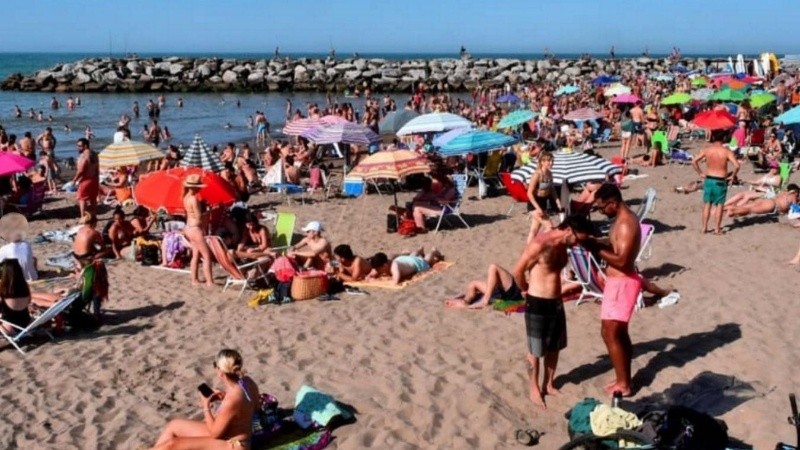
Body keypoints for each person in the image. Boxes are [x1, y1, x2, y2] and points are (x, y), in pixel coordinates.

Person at [512, 215, 595, 408]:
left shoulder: (564, 245)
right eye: (578, 239)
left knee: (554, 347)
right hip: (537, 301)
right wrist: (525, 289)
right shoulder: (540, 244)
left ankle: (548, 384)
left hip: (556, 301)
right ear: (568, 231)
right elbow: (518, 270)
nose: (578, 244)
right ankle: (534, 388)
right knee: (535, 350)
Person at [584, 183, 641, 397]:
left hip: (623, 282)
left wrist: (596, 248)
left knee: (610, 333)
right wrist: (595, 242)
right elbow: (615, 248)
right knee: (619, 333)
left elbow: (624, 262)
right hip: (618, 283)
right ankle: (623, 378)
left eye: (601, 207)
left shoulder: (626, 223)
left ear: (613, 203)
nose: (600, 212)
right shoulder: (620, 220)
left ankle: (624, 384)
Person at [151, 349, 260, 450]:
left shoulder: (232, 399)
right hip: (232, 434)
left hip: (234, 444)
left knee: (172, 444)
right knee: (174, 425)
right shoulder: (247, 382)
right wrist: (225, 397)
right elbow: (255, 407)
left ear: (219, 370)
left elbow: (214, 434)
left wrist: (206, 406)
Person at [692, 129, 740, 235]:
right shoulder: (726, 151)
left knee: (707, 204)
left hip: (709, 179)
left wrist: (700, 173)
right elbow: (737, 165)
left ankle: (704, 228)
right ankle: (717, 229)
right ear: (723, 139)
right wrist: (732, 176)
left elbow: (694, 161)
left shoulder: (707, 150)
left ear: (713, 137)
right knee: (719, 205)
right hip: (720, 180)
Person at [444, 263, 522, 309]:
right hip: (501, 293)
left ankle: (485, 300)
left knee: (493, 267)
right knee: (473, 284)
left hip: (512, 292)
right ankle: (465, 301)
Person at [183, 174, 214, 287]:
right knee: (206, 256)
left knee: (195, 255)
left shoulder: (186, 197)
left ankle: (194, 279)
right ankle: (209, 281)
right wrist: (208, 212)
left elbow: (190, 215)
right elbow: (199, 217)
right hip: (195, 229)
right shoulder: (194, 199)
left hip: (189, 228)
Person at [526, 151, 562, 242]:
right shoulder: (537, 175)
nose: (551, 163)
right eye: (549, 161)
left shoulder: (550, 174)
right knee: (549, 227)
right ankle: (539, 245)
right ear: (542, 162)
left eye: (552, 161)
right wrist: (538, 208)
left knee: (534, 230)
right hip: (534, 204)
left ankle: (528, 250)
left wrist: (557, 201)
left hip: (543, 203)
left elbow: (552, 189)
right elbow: (529, 193)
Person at [367, 247, 444, 285]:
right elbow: (369, 276)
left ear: (384, 265)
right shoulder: (382, 265)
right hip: (404, 260)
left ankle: (433, 252)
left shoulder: (394, 266)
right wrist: (370, 277)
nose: (377, 271)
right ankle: (419, 251)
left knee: (426, 260)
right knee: (412, 256)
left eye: (378, 269)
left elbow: (395, 281)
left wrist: (377, 281)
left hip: (416, 264)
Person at [726, 184, 799, 218]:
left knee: (748, 206)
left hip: (768, 200)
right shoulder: (794, 197)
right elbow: (795, 210)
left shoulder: (783, 192)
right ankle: (732, 211)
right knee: (750, 210)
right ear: (796, 192)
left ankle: (725, 208)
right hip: (773, 205)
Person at [0, 259, 32, 335]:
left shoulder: (2, 289)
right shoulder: (25, 286)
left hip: (9, 327)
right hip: (27, 324)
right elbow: (29, 301)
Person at [73, 138, 100, 219]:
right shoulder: (94, 154)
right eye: (77, 146)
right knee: (93, 199)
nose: (78, 148)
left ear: (85, 146)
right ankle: (94, 216)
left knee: (82, 199)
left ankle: (83, 217)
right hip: (94, 179)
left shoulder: (84, 155)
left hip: (86, 180)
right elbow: (97, 168)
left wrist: (74, 180)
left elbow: (81, 170)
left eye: (79, 146)